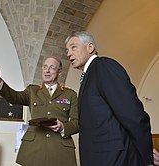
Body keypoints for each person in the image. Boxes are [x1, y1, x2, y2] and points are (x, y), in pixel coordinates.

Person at [65, 31, 154, 165]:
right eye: (67, 50)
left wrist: (146, 153)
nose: (68, 53)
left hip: (115, 158)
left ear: (90, 47)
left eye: (73, 47)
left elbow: (131, 113)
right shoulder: (88, 75)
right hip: (98, 158)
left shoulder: (104, 66)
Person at [0, 56, 79, 166]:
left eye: (52, 67)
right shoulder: (32, 91)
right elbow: (14, 97)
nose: (47, 70)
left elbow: (77, 123)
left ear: (59, 71)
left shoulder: (70, 94)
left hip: (59, 151)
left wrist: (63, 127)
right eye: (45, 67)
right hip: (34, 150)